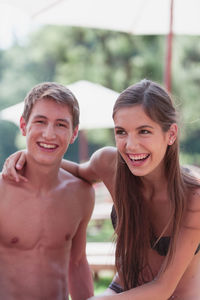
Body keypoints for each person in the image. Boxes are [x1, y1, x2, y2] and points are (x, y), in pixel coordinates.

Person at [3, 79, 200, 300]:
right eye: (121, 132)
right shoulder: (109, 164)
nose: (130, 145)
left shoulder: (193, 198)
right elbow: (76, 169)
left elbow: (163, 288)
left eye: (144, 131)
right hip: (120, 290)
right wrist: (27, 157)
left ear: (171, 134)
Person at [0, 82, 95, 300]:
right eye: (40, 122)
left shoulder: (81, 193)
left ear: (74, 133)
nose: (49, 134)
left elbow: (78, 262)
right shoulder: (1, 192)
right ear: (24, 126)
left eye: (61, 125)